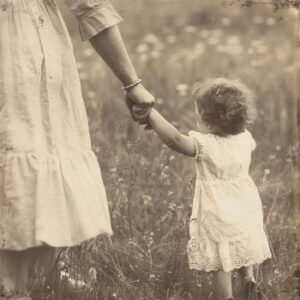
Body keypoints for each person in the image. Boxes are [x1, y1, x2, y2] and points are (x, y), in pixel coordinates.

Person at [0, 0, 154, 299]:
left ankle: (43, 270)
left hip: (29, 51)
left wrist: (131, 83)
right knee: (14, 149)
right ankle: (9, 284)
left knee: (40, 148)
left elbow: (89, 5)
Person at [127, 77, 272, 300]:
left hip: (218, 211)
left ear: (211, 121)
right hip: (245, 205)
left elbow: (174, 139)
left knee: (221, 258)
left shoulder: (206, 145)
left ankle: (226, 297)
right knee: (241, 238)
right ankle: (249, 280)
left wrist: (152, 115)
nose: (196, 116)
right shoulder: (245, 138)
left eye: (198, 112)